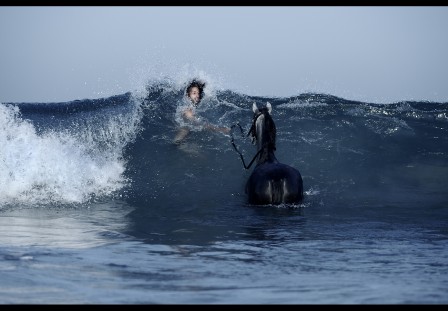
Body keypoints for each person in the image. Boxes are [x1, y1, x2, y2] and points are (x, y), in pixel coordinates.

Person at [174, 79, 229, 144]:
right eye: (194, 93)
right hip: (179, 141)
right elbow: (199, 125)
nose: (197, 96)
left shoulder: (190, 108)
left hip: (183, 139)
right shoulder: (188, 111)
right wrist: (220, 129)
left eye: (198, 93)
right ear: (188, 95)